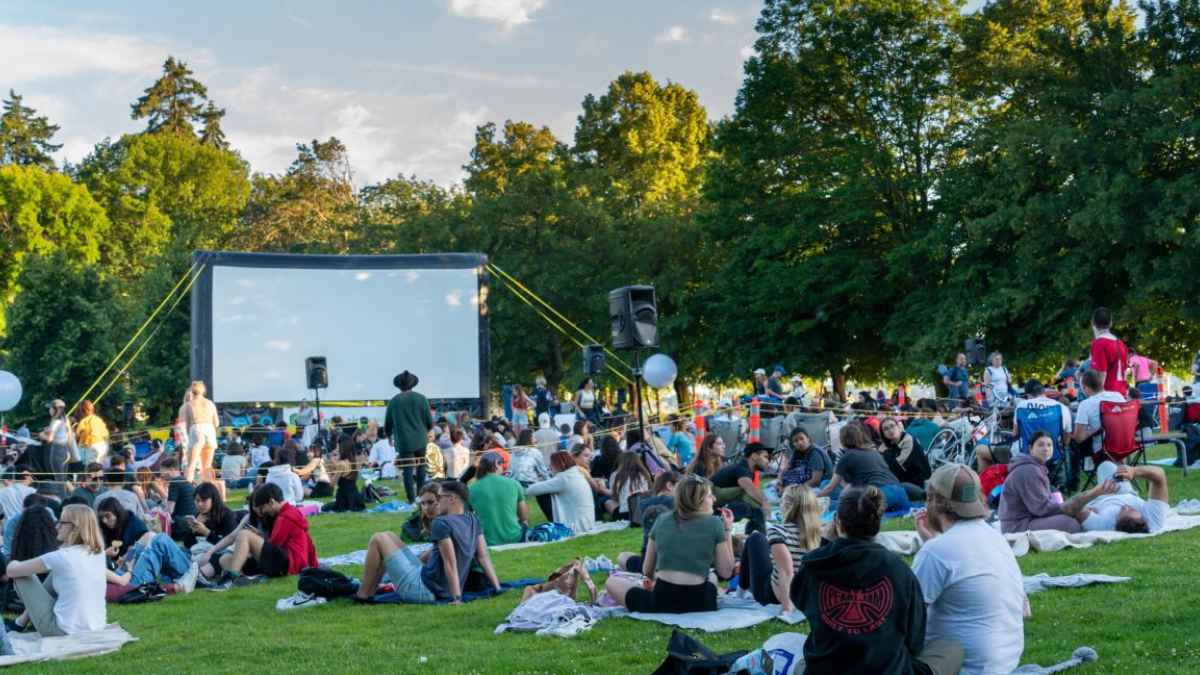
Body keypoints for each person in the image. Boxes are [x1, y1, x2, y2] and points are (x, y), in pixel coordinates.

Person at [794, 485, 964, 675]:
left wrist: (826, 542)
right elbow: (914, 641)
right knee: (951, 649)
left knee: (801, 662)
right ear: (878, 523)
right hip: (886, 669)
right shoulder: (900, 571)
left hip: (827, 669)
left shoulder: (814, 566)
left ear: (837, 521)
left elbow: (799, 598)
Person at [914, 465, 1026, 675]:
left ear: (934, 501)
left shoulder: (936, 551)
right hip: (1005, 662)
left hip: (964, 667)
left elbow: (907, 617)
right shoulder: (994, 537)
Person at [353, 480, 500, 604]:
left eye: (437, 499)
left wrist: (457, 598)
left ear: (451, 499)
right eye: (423, 503)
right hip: (434, 583)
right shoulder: (472, 519)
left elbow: (450, 563)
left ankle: (363, 594)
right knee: (389, 535)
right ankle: (371, 589)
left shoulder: (441, 523)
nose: (431, 506)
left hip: (426, 589)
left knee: (378, 538)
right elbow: (483, 557)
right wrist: (497, 587)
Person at [604, 474, 735, 614]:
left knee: (611, 582)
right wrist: (727, 530)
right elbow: (726, 572)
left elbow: (647, 570)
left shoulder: (661, 520)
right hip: (701, 602)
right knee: (712, 577)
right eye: (710, 496)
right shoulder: (715, 523)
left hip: (662, 601)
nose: (714, 499)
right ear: (697, 500)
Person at [5, 504, 107, 637]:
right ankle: (20, 623)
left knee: (21, 574)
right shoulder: (98, 553)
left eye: (62, 523)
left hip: (60, 630)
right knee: (55, 573)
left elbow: (12, 572)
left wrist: (14, 562)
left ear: (75, 527)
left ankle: (20, 623)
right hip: (96, 626)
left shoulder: (62, 557)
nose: (57, 526)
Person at [207, 483, 318, 588]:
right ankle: (243, 579)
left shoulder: (285, 517)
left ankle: (231, 578)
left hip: (289, 564)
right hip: (283, 561)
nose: (263, 512)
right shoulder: (288, 513)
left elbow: (273, 545)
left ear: (271, 502)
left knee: (244, 534)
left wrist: (253, 543)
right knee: (225, 559)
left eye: (263, 507)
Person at [737, 484, 821, 614]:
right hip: (805, 595)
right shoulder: (819, 533)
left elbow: (786, 572)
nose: (780, 502)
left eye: (781, 499)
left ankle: (740, 592)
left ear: (788, 505)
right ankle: (740, 591)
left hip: (773, 595)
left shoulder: (777, 531)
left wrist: (787, 609)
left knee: (755, 538)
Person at [817, 422, 911, 513]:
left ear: (842, 440)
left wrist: (814, 499)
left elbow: (830, 488)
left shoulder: (847, 456)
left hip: (880, 495)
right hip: (901, 494)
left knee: (833, 503)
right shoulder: (874, 453)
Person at [999, 431, 1082, 534]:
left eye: (1049, 445)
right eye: (1040, 445)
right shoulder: (1028, 470)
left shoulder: (1036, 467)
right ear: (1030, 448)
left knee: (1073, 516)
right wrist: (1068, 508)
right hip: (1017, 526)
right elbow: (1041, 509)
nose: (1046, 449)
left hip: (1029, 519)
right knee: (1070, 524)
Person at [1063, 461, 1169, 533]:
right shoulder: (1154, 519)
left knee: (1105, 466)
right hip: (1126, 493)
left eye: (1124, 510)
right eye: (1132, 509)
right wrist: (1134, 471)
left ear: (1116, 522)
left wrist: (1095, 492)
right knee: (1107, 466)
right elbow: (1160, 475)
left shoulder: (1102, 525)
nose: (1125, 506)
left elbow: (1072, 508)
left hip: (1101, 498)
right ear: (1144, 519)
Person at [385, 370, 434, 503]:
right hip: (420, 438)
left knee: (407, 468)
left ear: (399, 385)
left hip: (404, 440)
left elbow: (388, 422)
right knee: (421, 466)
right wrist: (428, 429)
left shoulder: (394, 401)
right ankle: (420, 494)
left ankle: (411, 499)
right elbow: (429, 420)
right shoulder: (421, 399)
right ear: (413, 384)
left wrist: (388, 435)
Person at [525, 451, 596, 533]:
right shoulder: (575, 474)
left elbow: (530, 490)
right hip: (587, 522)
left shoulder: (564, 478)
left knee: (541, 494)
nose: (550, 467)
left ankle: (557, 526)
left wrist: (541, 482)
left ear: (559, 464)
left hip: (576, 526)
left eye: (551, 464)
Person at [710, 442, 772, 534]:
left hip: (717, 500)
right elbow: (747, 487)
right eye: (765, 457)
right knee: (747, 495)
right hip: (711, 496)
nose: (768, 461)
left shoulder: (746, 469)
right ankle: (760, 534)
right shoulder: (742, 468)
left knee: (752, 510)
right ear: (754, 456)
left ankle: (754, 535)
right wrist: (765, 502)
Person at [467, 453, 528, 545]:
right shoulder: (514, 484)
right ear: (496, 464)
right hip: (515, 537)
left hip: (486, 540)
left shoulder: (471, 488)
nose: (504, 467)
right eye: (502, 463)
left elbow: (465, 518)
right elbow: (524, 517)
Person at [877, 417, 931, 502]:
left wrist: (885, 453)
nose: (890, 430)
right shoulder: (889, 445)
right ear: (883, 434)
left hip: (917, 483)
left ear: (898, 427)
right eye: (886, 429)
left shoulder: (908, 440)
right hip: (901, 481)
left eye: (892, 426)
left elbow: (898, 466)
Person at [34, 399, 76, 496]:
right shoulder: (66, 420)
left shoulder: (55, 421)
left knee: (59, 479)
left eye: (50, 408)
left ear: (54, 409)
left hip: (57, 450)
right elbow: (68, 435)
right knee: (64, 478)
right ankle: (69, 496)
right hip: (66, 450)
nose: (49, 410)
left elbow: (49, 439)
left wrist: (41, 435)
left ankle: (62, 499)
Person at [182, 381, 220, 485]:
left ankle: (187, 489)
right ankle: (208, 490)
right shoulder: (210, 403)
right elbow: (216, 423)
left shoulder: (188, 405)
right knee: (207, 466)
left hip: (196, 428)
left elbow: (187, 425)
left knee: (192, 465)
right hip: (210, 430)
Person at [182, 482, 239, 550]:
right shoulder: (199, 515)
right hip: (198, 552)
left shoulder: (227, 515)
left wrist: (206, 532)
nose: (200, 504)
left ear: (213, 500)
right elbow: (187, 545)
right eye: (197, 500)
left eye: (204, 500)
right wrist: (193, 530)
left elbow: (228, 545)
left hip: (218, 556)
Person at [1089, 307, 1129, 395]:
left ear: (1093, 323)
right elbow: (1125, 372)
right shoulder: (1120, 343)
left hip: (1108, 396)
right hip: (1121, 394)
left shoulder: (1099, 343)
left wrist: (1096, 397)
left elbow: (1101, 374)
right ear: (1111, 323)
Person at [96, 496, 149, 560]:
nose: (104, 521)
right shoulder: (105, 527)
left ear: (117, 513)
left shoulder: (136, 526)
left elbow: (144, 551)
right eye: (101, 517)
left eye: (108, 516)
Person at [608, 451, 651, 519]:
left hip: (624, 513)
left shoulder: (615, 475)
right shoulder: (644, 474)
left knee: (608, 502)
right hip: (642, 511)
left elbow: (614, 496)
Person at [73, 400, 109, 466]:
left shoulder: (84, 421)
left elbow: (77, 436)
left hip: (90, 447)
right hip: (102, 447)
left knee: (90, 468)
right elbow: (106, 436)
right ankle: (98, 475)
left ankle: (90, 475)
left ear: (83, 411)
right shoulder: (98, 420)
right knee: (98, 468)